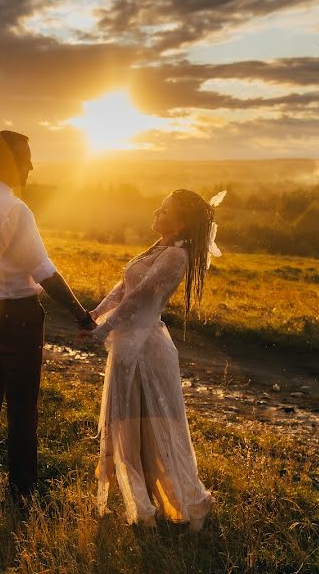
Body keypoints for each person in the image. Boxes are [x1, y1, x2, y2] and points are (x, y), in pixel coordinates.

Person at [0, 130, 96, 502]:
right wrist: (81, 315)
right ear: (8, 161)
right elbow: (43, 270)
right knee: (23, 407)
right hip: (20, 317)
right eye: (25, 158)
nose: (30, 165)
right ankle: (21, 495)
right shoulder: (15, 209)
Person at [85, 188, 225, 530]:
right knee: (128, 425)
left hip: (147, 349)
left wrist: (103, 331)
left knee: (157, 426)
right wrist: (95, 314)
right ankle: (145, 505)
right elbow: (122, 288)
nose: (155, 213)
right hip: (127, 345)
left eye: (163, 211)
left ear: (179, 224)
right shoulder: (158, 249)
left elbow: (139, 297)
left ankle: (191, 503)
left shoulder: (176, 257)